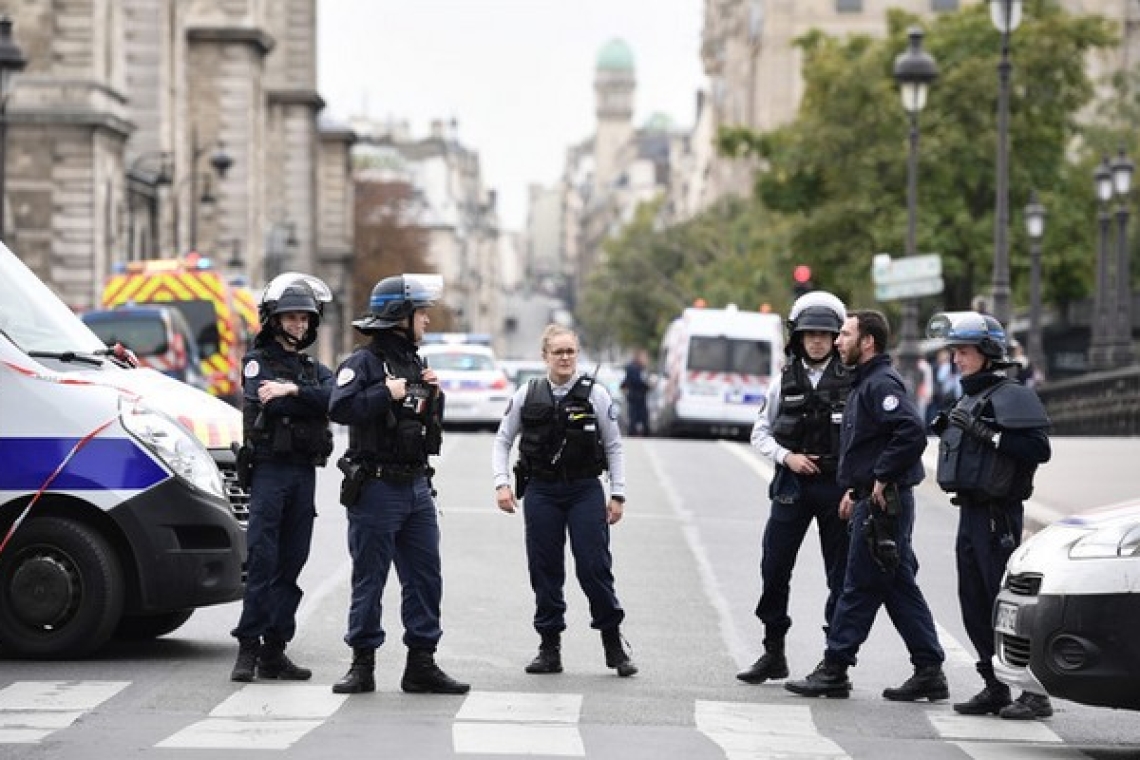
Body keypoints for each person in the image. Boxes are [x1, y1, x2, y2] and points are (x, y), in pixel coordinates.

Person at [785, 310, 946, 701]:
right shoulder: (865, 382)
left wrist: (880, 476)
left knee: (857, 585)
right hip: (872, 500)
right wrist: (856, 490)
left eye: (845, 334)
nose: (838, 341)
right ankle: (929, 668)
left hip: (884, 505)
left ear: (867, 341)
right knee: (897, 585)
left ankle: (835, 667)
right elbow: (872, 445)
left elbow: (910, 432)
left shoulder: (880, 383)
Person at [327, 273, 469, 696]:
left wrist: (433, 396)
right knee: (370, 579)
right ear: (398, 316)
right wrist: (383, 395)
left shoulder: (415, 363)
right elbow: (340, 408)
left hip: (416, 487)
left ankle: (421, 664)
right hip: (377, 488)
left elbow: (422, 424)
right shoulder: (363, 364)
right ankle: (362, 664)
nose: (426, 319)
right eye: (420, 313)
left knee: (426, 578)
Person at [927, 312, 1053, 720]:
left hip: (998, 514)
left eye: (964, 351)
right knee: (973, 601)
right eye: (955, 351)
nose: (957, 359)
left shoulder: (1012, 395)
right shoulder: (970, 395)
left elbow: (1038, 449)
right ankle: (994, 685)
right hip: (970, 511)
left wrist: (988, 434)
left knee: (1006, 606)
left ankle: (1033, 693)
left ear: (987, 353)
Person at [491, 324, 636, 677]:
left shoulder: (596, 395)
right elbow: (502, 441)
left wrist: (618, 493)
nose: (566, 358)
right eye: (558, 352)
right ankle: (549, 647)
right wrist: (501, 484)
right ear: (545, 357)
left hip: (584, 489)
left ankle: (613, 643)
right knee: (545, 569)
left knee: (594, 567)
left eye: (571, 351)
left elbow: (614, 445)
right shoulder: (528, 393)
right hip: (541, 491)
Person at [736, 291, 851, 685]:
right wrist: (788, 458)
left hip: (837, 488)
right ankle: (773, 652)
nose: (817, 341)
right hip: (792, 485)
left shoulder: (853, 381)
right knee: (774, 567)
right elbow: (760, 433)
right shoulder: (782, 381)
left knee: (839, 575)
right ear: (798, 338)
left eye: (824, 334)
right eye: (810, 334)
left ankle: (834, 662)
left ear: (836, 337)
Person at [230, 273, 335, 683]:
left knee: (292, 563)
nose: (299, 325)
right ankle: (247, 649)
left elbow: (337, 400)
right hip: (271, 470)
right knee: (262, 561)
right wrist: (304, 400)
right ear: (274, 320)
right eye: (291, 318)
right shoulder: (258, 362)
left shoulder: (312, 368)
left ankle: (275, 651)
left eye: (304, 319)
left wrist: (292, 393)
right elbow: (263, 403)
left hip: (303, 473)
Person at [620, 348, 651, 437]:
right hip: (635, 397)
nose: (646, 359)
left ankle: (641, 432)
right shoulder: (633, 368)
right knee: (634, 416)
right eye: (644, 357)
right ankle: (634, 432)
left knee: (642, 416)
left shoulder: (641, 368)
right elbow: (636, 381)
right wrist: (648, 385)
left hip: (640, 396)